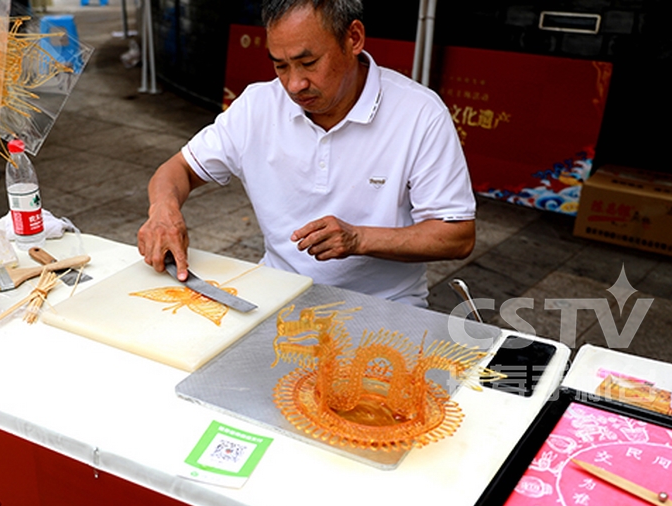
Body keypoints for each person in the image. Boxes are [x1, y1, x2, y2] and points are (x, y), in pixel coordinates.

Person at [136, 0, 476, 307]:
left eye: (308, 62)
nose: (294, 84)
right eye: (281, 66)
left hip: (386, 304)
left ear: (353, 38)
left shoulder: (419, 113)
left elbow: (456, 235)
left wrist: (359, 238)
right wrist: (164, 211)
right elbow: (177, 169)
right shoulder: (258, 106)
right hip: (275, 291)